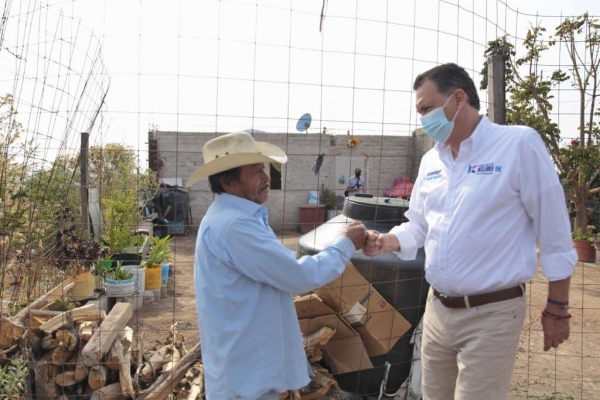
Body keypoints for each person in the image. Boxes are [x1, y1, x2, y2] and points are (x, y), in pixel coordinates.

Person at [363, 63, 576, 399]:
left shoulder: (518, 145)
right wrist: (385, 241)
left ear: (458, 98)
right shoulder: (432, 161)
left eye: (426, 109)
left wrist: (557, 308)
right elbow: (418, 225)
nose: (423, 120)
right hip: (437, 311)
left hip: (491, 314)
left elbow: (555, 234)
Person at [186, 131, 367, 400]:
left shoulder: (231, 217)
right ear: (228, 182)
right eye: (255, 171)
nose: (266, 176)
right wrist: (346, 243)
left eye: (264, 167)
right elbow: (299, 276)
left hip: (244, 370)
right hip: (246, 378)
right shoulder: (237, 225)